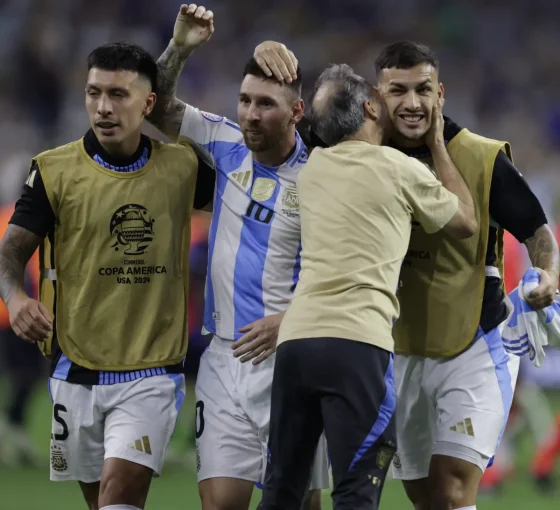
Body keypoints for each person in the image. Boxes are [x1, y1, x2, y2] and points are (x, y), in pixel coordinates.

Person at [254, 39, 559, 510]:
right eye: (399, 90)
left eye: (424, 90)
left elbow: (538, 229)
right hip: (395, 348)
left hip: (473, 340)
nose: (413, 103)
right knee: (425, 495)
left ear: (441, 94)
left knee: (454, 486)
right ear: (375, 98)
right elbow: (277, 129)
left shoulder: (479, 156)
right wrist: (269, 50)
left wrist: (548, 275)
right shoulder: (354, 145)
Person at [0, 42, 214, 510]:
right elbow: (11, 252)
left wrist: (177, 50)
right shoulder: (53, 171)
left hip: (151, 369)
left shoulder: (184, 167)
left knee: (120, 494)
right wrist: (15, 298)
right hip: (71, 367)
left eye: (118, 94)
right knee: (103, 502)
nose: (103, 107)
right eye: (93, 92)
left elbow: (248, 202)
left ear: (149, 104)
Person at [259, 63, 477, 510]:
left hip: (296, 344)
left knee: (282, 491)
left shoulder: (312, 167)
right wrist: (436, 142)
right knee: (356, 494)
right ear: (369, 109)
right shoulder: (397, 168)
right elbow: (465, 223)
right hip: (357, 345)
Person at [147, 5, 329, 510]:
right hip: (223, 358)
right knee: (220, 503)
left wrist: (290, 321)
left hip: (291, 360)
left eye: (266, 104)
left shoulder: (321, 177)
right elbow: (157, 107)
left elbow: (344, 273)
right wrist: (179, 48)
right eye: (244, 100)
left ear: (295, 113)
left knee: (297, 502)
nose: (250, 113)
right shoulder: (227, 143)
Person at [0, 201, 44, 467]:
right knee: (25, 375)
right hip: (18, 311)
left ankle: (15, 430)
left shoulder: (8, 215)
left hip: (13, 309)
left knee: (26, 375)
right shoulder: (28, 218)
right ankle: (13, 428)